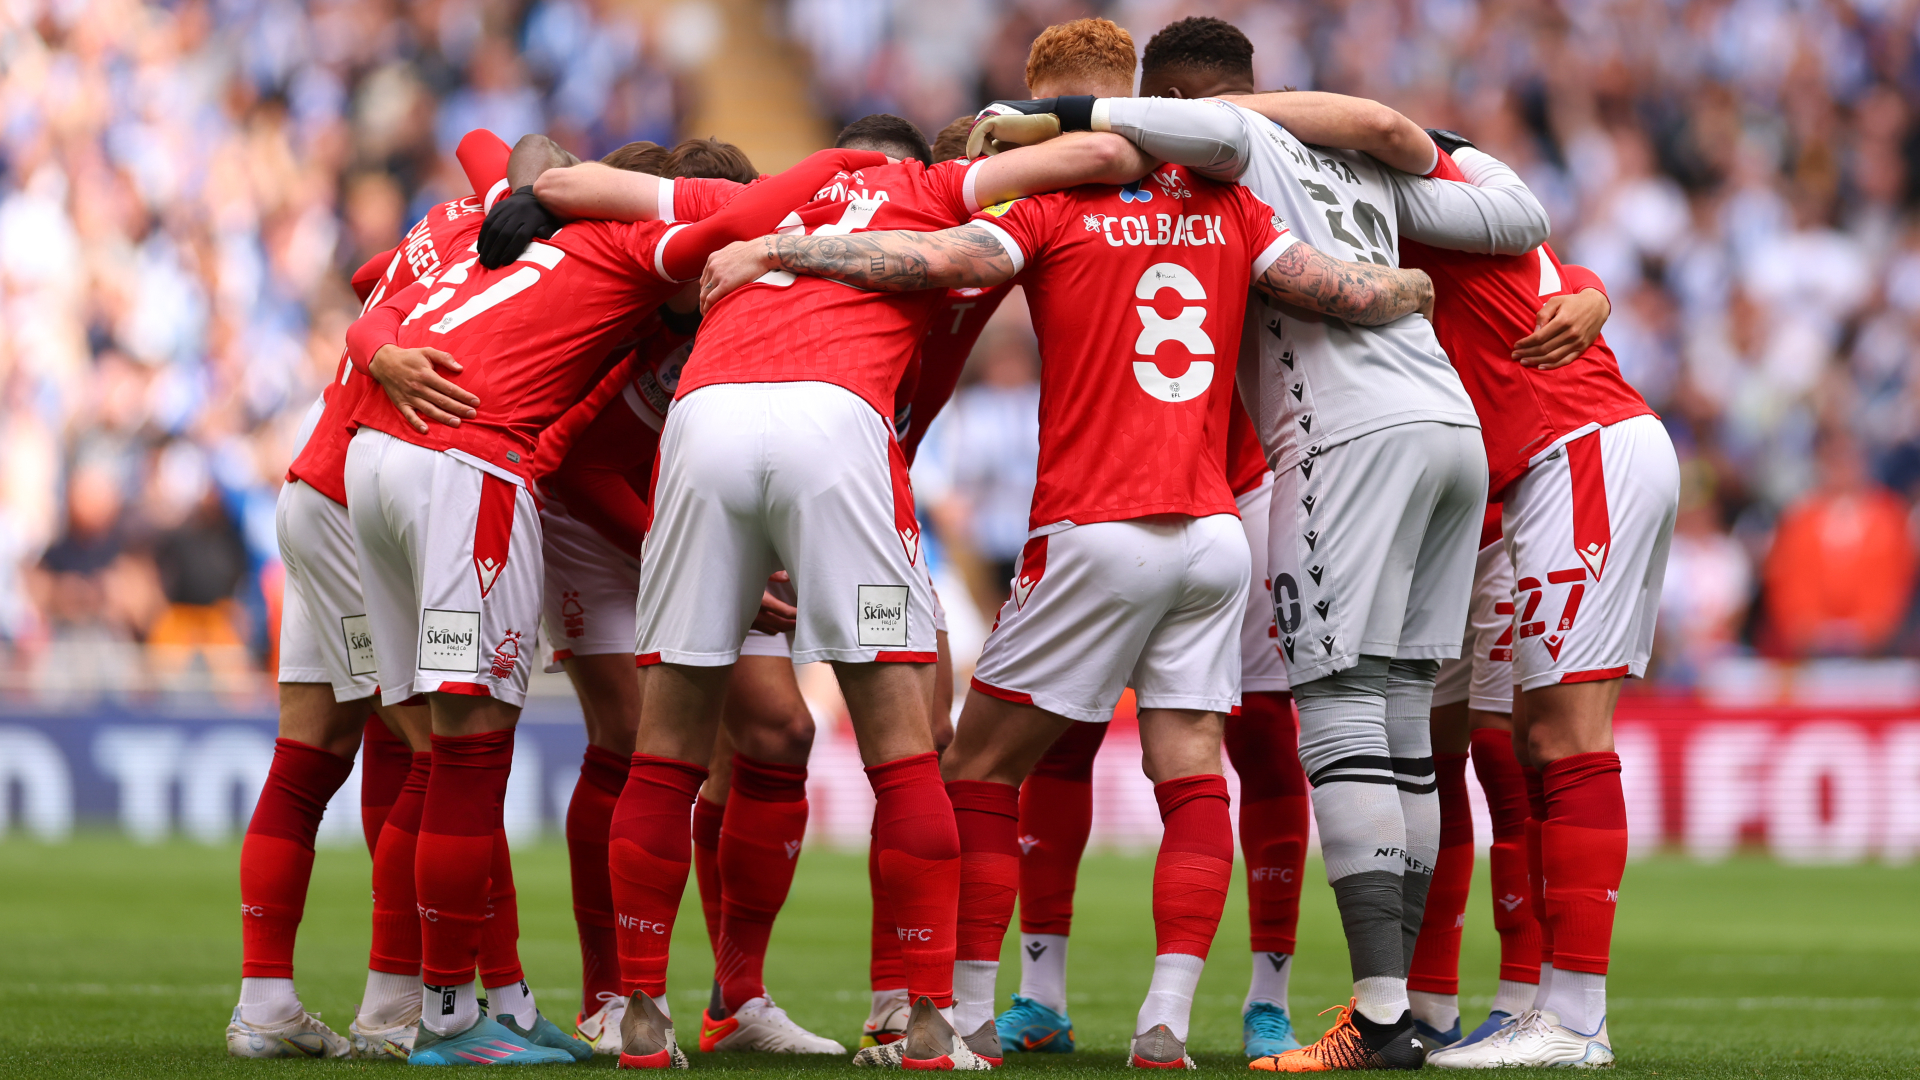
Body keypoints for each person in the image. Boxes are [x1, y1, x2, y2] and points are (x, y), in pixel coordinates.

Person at [700, 126, 1436, 1071]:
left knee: (971, 774)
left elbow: (928, 257)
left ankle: (963, 1015)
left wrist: (784, 246)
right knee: (1193, 773)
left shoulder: (1051, 209)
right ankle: (1164, 1022)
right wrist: (1418, 286)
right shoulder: (1238, 209)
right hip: (1212, 531)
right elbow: (1355, 291)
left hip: (1095, 524)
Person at [964, 23, 1548, 1069]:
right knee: (1405, 721)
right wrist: (1432, 147)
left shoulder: (1230, 155)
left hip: (1341, 441)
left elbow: (1132, 145)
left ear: (1182, 104)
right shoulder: (1361, 171)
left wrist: (1043, 124)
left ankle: (1372, 1024)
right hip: (1448, 431)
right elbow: (1518, 216)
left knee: (1335, 713)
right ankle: (1408, 1013)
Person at [338, 141, 885, 1067]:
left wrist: (515, 194)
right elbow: (728, 231)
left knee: (442, 750)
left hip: (386, 461)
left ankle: (469, 1004)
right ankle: (481, 1013)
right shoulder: (636, 262)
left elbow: (405, 242)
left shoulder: (517, 235)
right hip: (508, 483)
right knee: (484, 754)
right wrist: (843, 163)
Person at [227, 130, 578, 1063]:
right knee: (447, 752)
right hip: (368, 485)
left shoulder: (442, 230)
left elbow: (376, 269)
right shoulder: (533, 257)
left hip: (326, 470)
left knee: (320, 753)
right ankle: (430, 1004)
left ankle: (274, 1004)